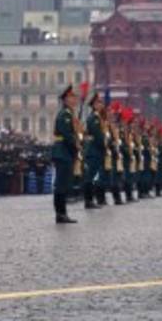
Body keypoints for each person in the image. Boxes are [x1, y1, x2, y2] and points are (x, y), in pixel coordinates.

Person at [51, 85, 79, 224]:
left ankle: (62, 213)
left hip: (64, 151)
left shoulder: (68, 113)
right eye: (72, 97)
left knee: (64, 183)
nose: (75, 99)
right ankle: (60, 214)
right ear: (66, 100)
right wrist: (76, 147)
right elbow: (67, 135)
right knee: (61, 184)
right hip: (62, 151)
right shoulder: (65, 115)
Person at [82, 93, 106, 210]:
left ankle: (90, 200)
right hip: (94, 150)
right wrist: (104, 146)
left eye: (101, 102)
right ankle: (88, 200)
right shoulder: (94, 118)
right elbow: (98, 136)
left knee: (92, 176)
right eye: (99, 102)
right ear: (94, 105)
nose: (102, 104)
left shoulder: (97, 117)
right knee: (90, 177)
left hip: (95, 150)